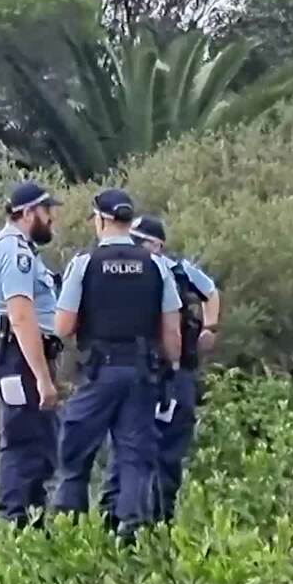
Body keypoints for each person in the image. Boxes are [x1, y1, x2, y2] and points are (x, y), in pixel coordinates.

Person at [52, 189, 182, 539]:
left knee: (75, 448)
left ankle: (69, 528)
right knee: (135, 456)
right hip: (141, 372)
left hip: (99, 371)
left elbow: (62, 327)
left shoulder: (84, 264)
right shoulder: (156, 265)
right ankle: (131, 531)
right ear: (129, 221)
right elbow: (172, 333)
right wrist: (170, 371)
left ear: (101, 219)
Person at [100, 215, 220, 525]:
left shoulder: (176, 270)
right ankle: (122, 519)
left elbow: (210, 291)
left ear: (158, 245)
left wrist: (210, 328)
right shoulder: (133, 273)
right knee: (130, 446)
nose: (136, 246)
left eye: (142, 241)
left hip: (167, 372)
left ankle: (149, 520)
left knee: (159, 448)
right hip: (143, 370)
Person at [0, 180, 63, 527]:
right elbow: (21, 316)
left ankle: (31, 521)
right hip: (20, 357)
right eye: (47, 212)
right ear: (28, 212)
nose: (51, 219)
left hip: (19, 356)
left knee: (37, 443)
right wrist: (43, 378)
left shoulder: (15, 250)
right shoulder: (16, 255)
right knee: (23, 443)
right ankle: (16, 524)